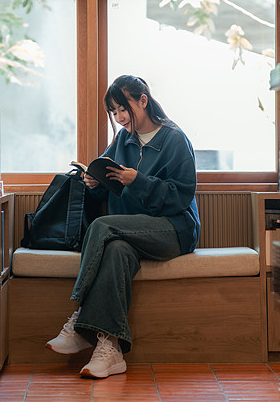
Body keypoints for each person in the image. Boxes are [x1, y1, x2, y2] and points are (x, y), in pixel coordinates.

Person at [46, 75, 200, 379]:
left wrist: (137, 181)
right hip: (130, 232)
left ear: (143, 100)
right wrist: (94, 182)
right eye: (114, 112)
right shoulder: (122, 140)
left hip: (174, 229)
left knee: (104, 228)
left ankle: (80, 319)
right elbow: (110, 187)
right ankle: (110, 350)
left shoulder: (174, 139)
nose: (119, 117)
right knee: (116, 250)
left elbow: (180, 196)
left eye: (123, 108)